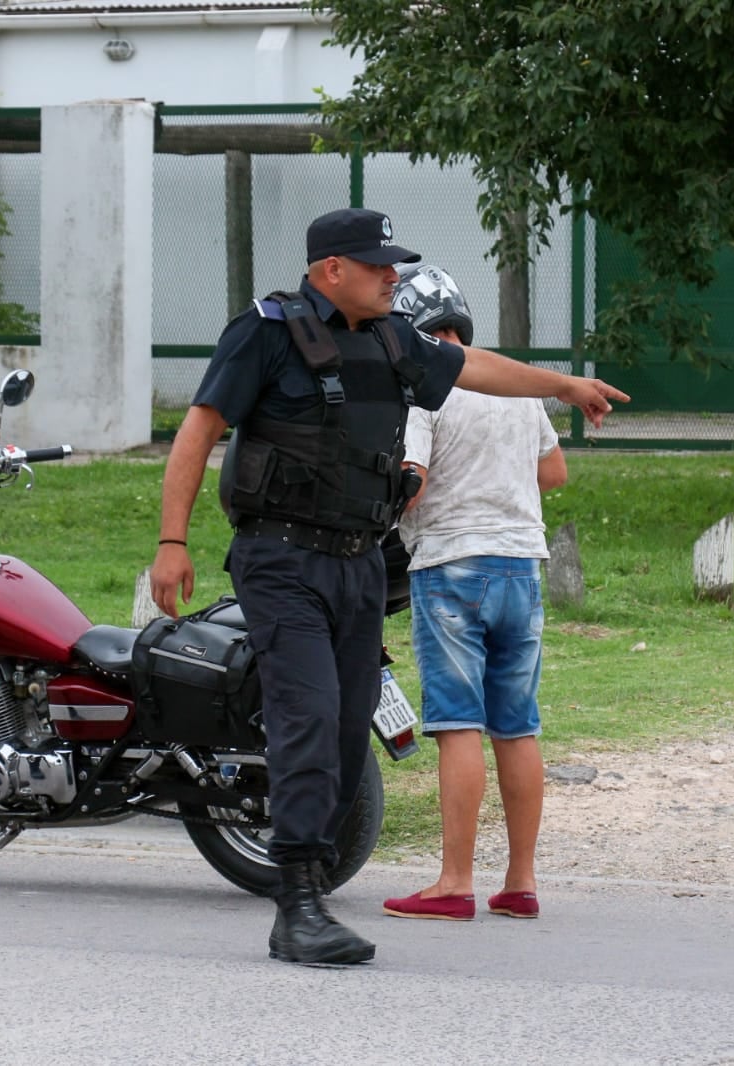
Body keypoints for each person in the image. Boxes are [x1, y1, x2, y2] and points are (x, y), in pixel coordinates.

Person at [150, 208, 625, 966]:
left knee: (343, 733)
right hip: (281, 559)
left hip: (359, 562)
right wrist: (172, 542)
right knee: (305, 720)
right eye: (376, 266)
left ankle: (310, 876)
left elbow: (476, 369)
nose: (391, 276)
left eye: (393, 265)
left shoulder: (389, 339)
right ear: (330, 269)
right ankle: (296, 905)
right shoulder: (266, 332)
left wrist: (564, 386)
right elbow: (199, 431)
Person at [380, 265, 563, 923]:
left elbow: (414, 482)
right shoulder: (515, 389)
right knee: (516, 724)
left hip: (451, 569)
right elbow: (554, 470)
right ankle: (519, 881)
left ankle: (453, 881)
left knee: (456, 723)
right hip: (521, 569)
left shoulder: (424, 391)